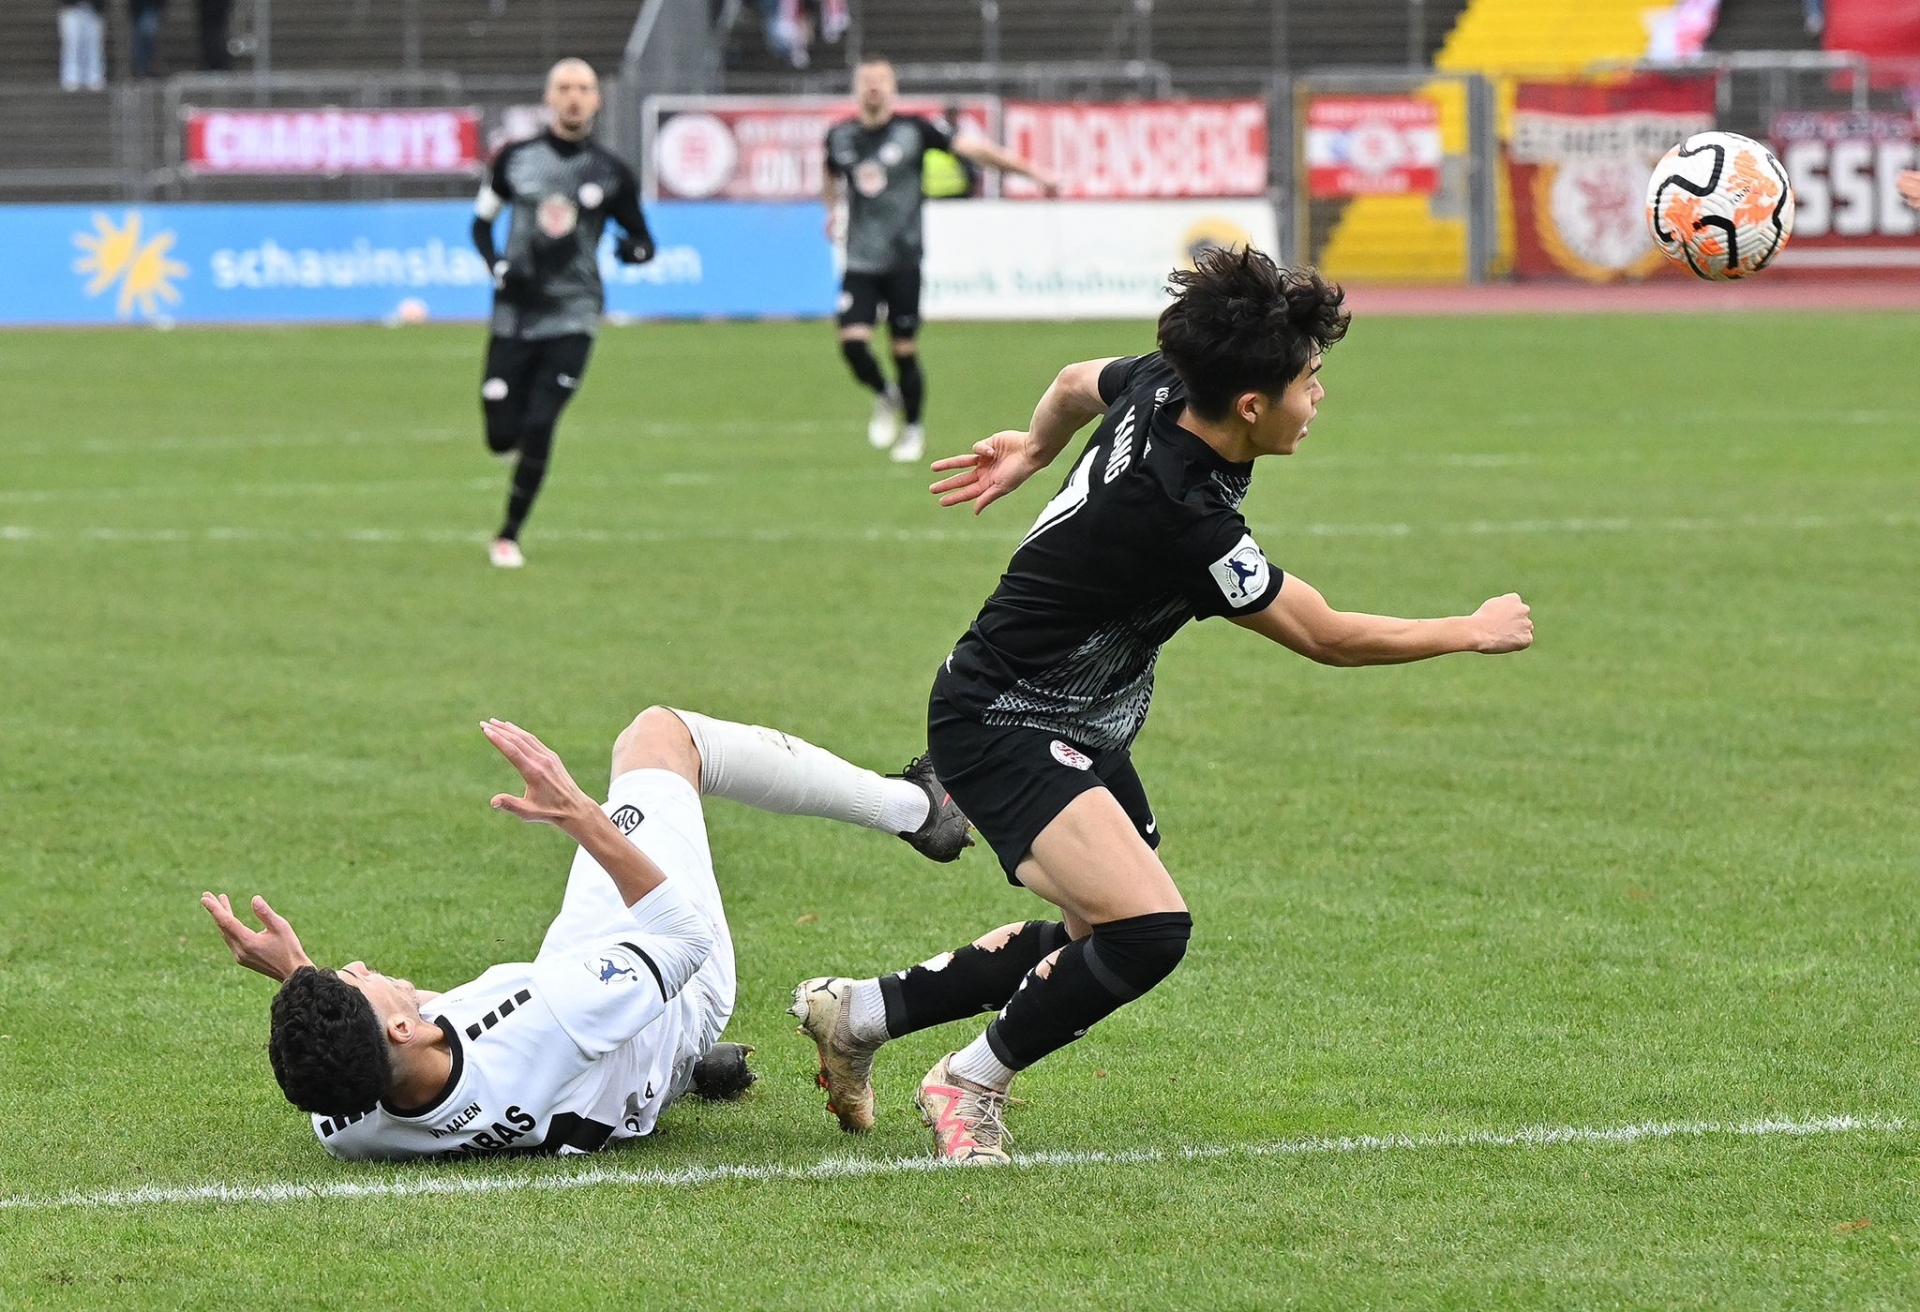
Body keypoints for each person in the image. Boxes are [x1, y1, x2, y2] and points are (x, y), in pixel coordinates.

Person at [790, 247, 1535, 1164]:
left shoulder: (1164, 382)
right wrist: (1470, 627)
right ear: (1252, 405)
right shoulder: (1185, 516)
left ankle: (861, 1013)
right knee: (1147, 929)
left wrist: (1033, 447)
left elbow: (1072, 381)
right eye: (1310, 381)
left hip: (1072, 714)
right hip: (1003, 721)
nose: (1319, 397)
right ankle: (968, 1082)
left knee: (1096, 924)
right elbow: (1328, 636)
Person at [202, 708, 971, 1160]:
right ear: (402, 1027)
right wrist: (583, 819)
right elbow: (683, 938)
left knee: (570, 1021)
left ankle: (683, 1074)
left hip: (605, 1080)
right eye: (351, 977)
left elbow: (372, 1045)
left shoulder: (344, 1119)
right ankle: (919, 811)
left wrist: (300, 974)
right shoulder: (544, 1015)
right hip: (675, 993)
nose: (360, 963)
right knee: (659, 738)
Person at [822, 57, 1058, 466]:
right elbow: (829, 175)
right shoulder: (839, 136)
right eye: (867, 81)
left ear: (892, 88)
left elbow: (978, 151)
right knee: (852, 344)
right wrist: (830, 210)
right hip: (859, 260)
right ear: (857, 89)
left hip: (903, 259)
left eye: (881, 80)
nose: (874, 87)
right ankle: (885, 394)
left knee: (903, 350)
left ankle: (913, 428)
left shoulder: (915, 130)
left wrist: (1033, 173)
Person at [470, 57, 656, 570]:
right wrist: (498, 266)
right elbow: (481, 226)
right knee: (500, 434)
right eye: (564, 88)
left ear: (597, 100)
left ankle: (508, 535)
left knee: (542, 421)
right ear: (549, 98)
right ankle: (514, 438)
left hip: (574, 312)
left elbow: (642, 238)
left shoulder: (611, 173)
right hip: (514, 312)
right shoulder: (514, 159)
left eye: (584, 89)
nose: (574, 97)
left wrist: (634, 251)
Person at [57, 0, 105, 91]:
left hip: (93, 8)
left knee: (93, 44)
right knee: (72, 44)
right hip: (71, 7)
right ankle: (71, 76)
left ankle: (94, 76)